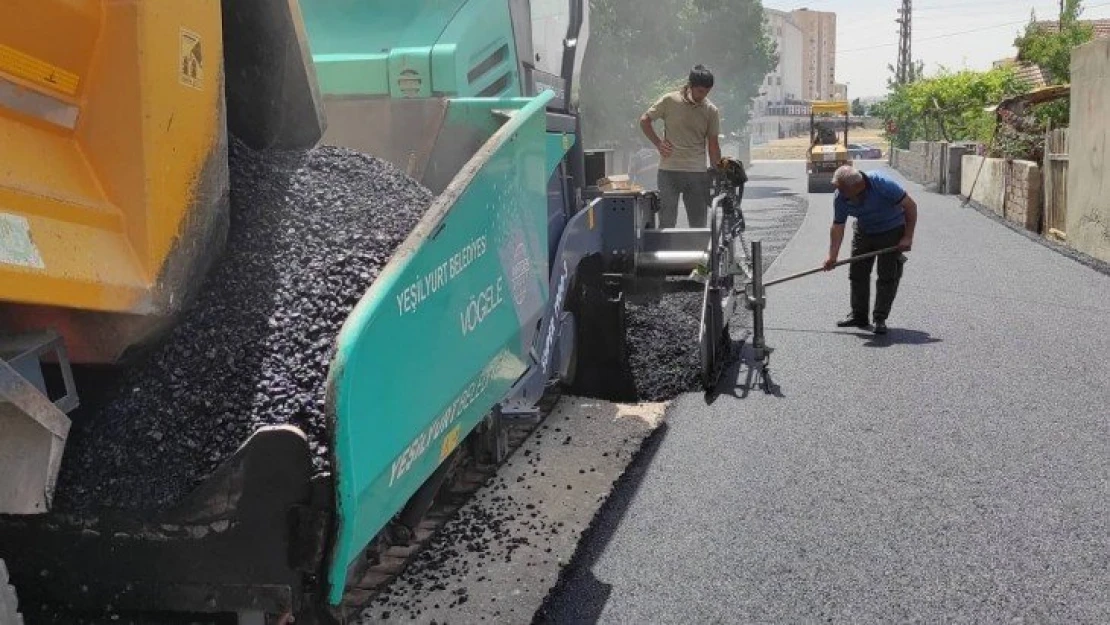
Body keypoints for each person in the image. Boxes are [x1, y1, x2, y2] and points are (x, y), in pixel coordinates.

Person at [823, 165, 918, 335]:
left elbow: (910, 206)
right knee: (857, 273)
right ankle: (859, 316)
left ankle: (880, 318)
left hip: (891, 230)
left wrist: (908, 236)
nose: (838, 191)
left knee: (887, 275)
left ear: (857, 186)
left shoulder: (883, 185)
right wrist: (832, 256)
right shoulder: (841, 196)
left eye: (842, 189)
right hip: (864, 230)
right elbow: (838, 225)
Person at [639, 65, 722, 228]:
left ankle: (698, 253)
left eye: (707, 92)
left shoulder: (711, 110)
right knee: (667, 221)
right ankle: (665, 251)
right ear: (690, 86)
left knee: (698, 224)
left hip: (697, 174)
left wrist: (718, 173)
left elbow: (713, 145)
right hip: (669, 171)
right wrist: (658, 143)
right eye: (700, 91)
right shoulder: (670, 101)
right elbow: (645, 121)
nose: (703, 96)